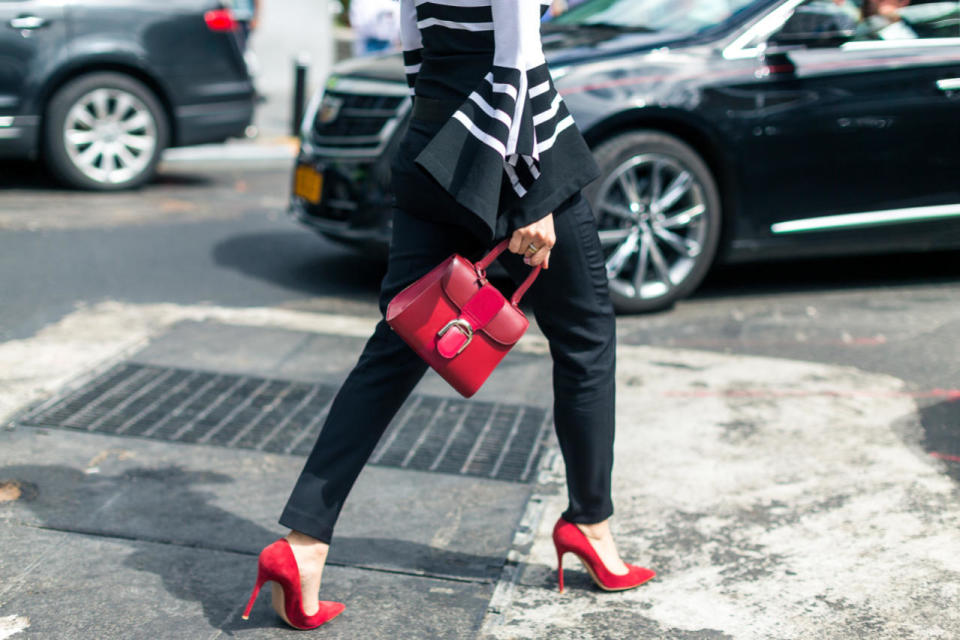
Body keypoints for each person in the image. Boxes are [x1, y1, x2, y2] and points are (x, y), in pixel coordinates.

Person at [241, 0, 656, 630]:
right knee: (586, 337)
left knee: (396, 344)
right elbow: (518, 60)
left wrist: (442, 130)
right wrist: (530, 193)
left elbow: (413, 42)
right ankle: (590, 527)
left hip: (434, 137)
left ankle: (303, 547)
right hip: (515, 148)